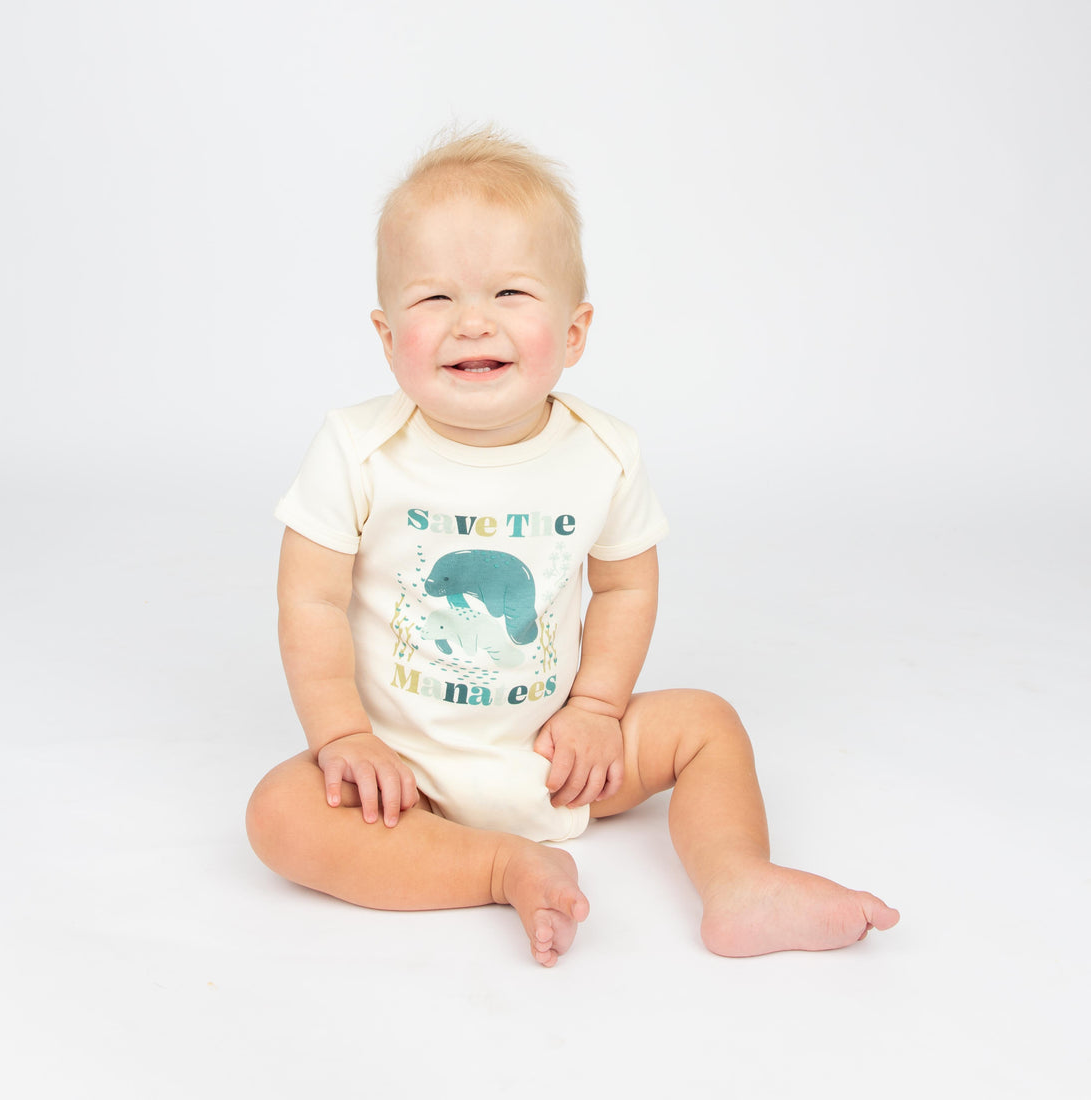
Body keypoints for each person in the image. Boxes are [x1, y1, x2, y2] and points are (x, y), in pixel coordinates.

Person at [245, 127, 899, 966]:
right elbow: (309, 599)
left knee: (707, 724)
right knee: (278, 811)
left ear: (575, 330)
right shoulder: (355, 449)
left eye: (511, 292)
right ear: (385, 334)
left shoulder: (603, 453)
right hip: (404, 771)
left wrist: (595, 709)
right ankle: (497, 866)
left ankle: (740, 879)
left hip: (555, 757)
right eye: (434, 298)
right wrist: (344, 737)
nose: (471, 321)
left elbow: (626, 588)